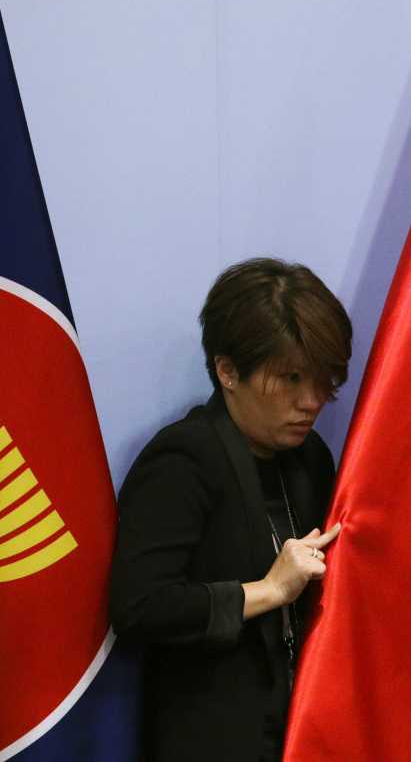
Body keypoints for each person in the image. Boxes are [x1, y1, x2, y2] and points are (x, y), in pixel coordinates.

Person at [109, 258, 352, 761]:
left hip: (303, 732)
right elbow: (139, 607)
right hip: (211, 740)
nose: (311, 401)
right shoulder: (183, 458)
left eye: (322, 379)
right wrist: (266, 591)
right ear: (227, 371)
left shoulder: (311, 459)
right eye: (289, 378)